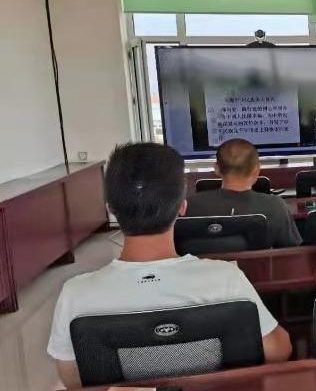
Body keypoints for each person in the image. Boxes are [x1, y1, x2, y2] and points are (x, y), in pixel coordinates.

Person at [47, 143, 292, 389]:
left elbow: (74, 380)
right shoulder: (227, 278)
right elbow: (278, 351)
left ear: (110, 208)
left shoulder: (75, 293)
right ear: (182, 206)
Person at [185, 138, 301, 247]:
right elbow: (291, 251)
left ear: (217, 168)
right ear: (257, 169)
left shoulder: (189, 206)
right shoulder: (276, 206)